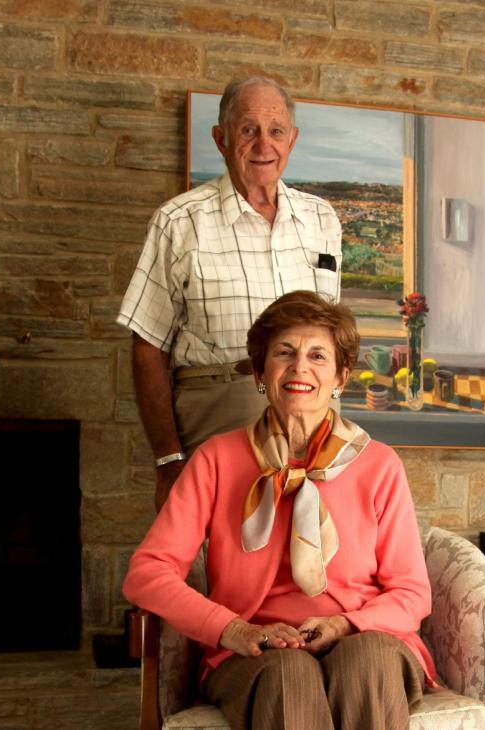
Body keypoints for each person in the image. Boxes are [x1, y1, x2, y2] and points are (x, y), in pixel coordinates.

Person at [123, 291, 436, 730]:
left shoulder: (379, 464)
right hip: (256, 653)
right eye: (284, 353)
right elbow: (147, 573)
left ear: (341, 377)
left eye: (317, 356)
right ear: (259, 372)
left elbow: (412, 593)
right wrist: (234, 630)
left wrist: (347, 624)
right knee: (289, 674)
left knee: (367, 657)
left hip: (367, 637)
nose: (299, 367)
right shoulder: (217, 460)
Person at [117, 76, 342, 511]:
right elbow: (147, 346)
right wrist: (168, 459)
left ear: (292, 140)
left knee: (312, 559)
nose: (264, 144)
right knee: (221, 560)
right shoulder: (179, 222)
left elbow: (330, 337)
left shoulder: (323, 220)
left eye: (276, 131)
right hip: (219, 409)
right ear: (221, 139)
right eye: (248, 130)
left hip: (313, 421)